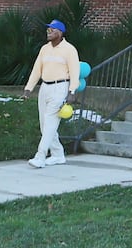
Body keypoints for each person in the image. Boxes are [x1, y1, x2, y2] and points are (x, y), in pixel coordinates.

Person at [21, 19, 79, 168]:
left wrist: (72, 91)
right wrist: (29, 88)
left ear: (60, 32)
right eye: (47, 30)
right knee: (44, 125)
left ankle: (40, 156)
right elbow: (36, 69)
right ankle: (58, 154)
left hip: (60, 87)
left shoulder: (69, 49)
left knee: (50, 123)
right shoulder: (44, 49)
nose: (48, 32)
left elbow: (74, 71)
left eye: (51, 30)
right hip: (45, 87)